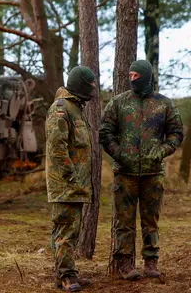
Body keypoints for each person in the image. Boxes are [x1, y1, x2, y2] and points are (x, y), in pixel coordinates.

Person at [100, 59, 184, 280]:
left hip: (152, 173)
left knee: (151, 221)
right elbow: (105, 133)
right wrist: (119, 153)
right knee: (123, 221)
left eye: (136, 76)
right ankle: (125, 264)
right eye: (130, 75)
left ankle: (151, 262)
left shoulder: (164, 104)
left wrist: (163, 150)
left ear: (146, 76)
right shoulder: (118, 103)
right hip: (124, 173)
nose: (132, 79)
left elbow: (176, 133)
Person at [46, 66, 96, 292]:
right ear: (81, 84)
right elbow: (57, 147)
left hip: (75, 186)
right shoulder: (61, 108)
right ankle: (66, 278)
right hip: (66, 185)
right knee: (65, 231)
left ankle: (67, 273)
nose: (94, 88)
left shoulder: (76, 108)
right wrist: (71, 177)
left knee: (71, 232)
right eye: (91, 84)